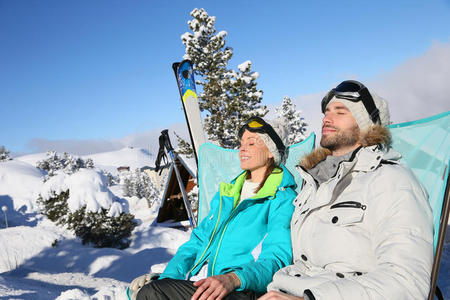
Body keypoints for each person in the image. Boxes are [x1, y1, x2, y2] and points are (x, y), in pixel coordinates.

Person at [259, 80, 433, 300]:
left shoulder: (390, 180)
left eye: (340, 112)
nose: (326, 118)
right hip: (283, 289)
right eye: (326, 112)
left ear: (366, 125)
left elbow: (406, 281)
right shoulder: (314, 183)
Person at [131, 117, 297, 300]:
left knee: (152, 294)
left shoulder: (281, 198)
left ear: (271, 152)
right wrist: (167, 278)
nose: (242, 149)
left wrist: (234, 278)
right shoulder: (229, 194)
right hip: (205, 286)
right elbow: (197, 242)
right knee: (145, 292)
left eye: (251, 143)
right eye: (241, 143)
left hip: (242, 290)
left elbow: (277, 258)